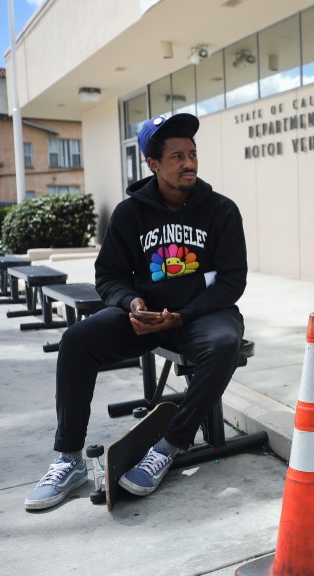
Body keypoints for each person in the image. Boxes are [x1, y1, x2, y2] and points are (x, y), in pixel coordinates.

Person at [25, 113, 248, 510]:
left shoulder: (221, 211)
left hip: (199, 317)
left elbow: (232, 282)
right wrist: (133, 304)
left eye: (192, 154)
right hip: (144, 319)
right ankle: (70, 458)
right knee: (76, 341)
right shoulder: (130, 215)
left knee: (226, 343)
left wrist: (184, 315)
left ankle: (169, 445)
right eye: (177, 155)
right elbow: (108, 275)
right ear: (153, 163)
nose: (189, 163)